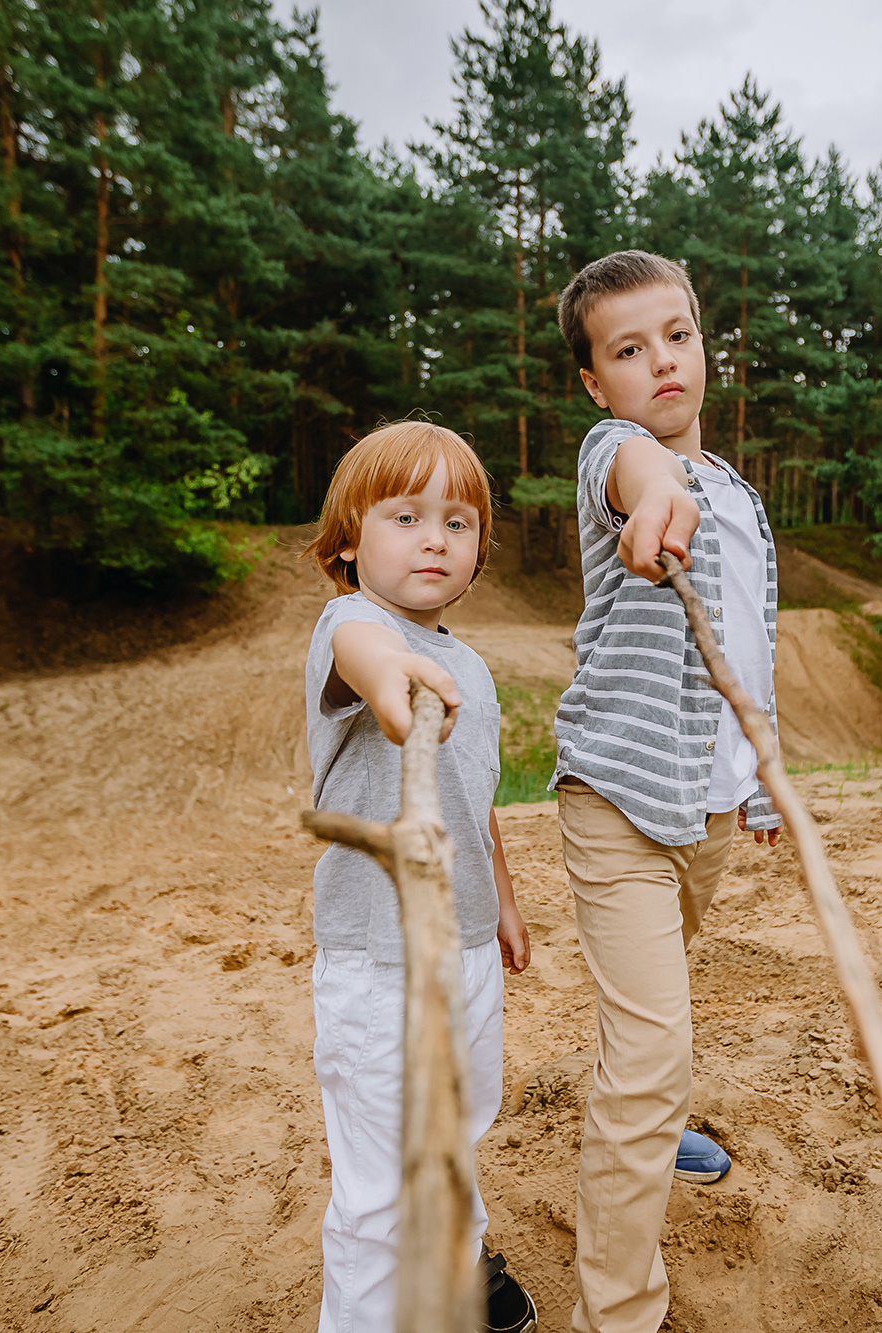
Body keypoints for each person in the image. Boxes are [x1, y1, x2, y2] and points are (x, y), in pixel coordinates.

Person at [550, 251, 783, 1333]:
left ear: (702, 343)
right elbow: (641, 481)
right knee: (651, 1050)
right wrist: (653, 507)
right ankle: (620, 1316)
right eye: (627, 350)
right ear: (598, 383)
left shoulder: (736, 494)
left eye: (675, 336)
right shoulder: (619, 455)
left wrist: (760, 785)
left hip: (706, 811)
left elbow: (751, 646)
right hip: (616, 799)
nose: (660, 362)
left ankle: (642, 1116)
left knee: (654, 1020)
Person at [300, 421, 538, 1333]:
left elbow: (475, 798)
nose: (436, 536)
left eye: (459, 520)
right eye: (406, 515)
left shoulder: (471, 664)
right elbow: (366, 649)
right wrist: (395, 668)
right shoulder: (349, 626)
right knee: (374, 1191)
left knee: (457, 1133)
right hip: (381, 964)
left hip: (468, 949)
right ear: (353, 537)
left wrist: (507, 903)